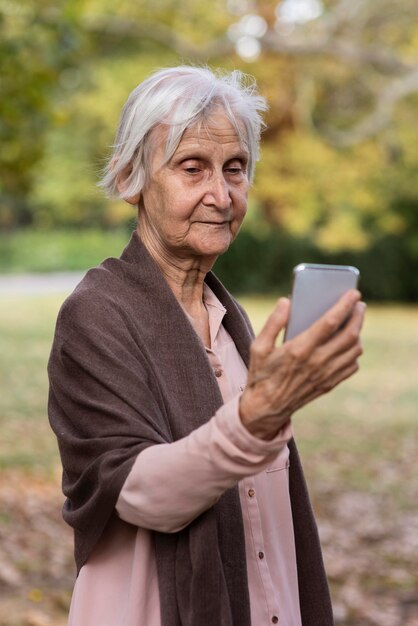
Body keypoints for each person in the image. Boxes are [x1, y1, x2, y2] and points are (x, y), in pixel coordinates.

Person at [48, 66, 365, 626]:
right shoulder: (96, 313)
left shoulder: (230, 315)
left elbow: (264, 519)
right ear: (130, 179)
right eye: (192, 168)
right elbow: (140, 493)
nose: (221, 194)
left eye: (235, 169)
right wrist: (256, 419)